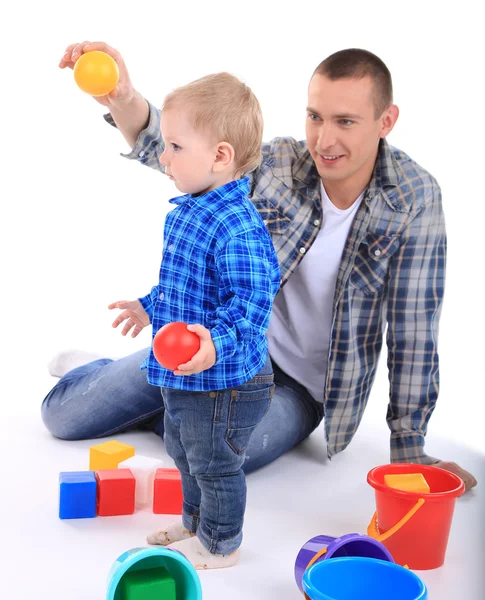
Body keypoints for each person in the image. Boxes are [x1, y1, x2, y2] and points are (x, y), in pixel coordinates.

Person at [44, 42, 477, 494]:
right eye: (315, 117)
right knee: (62, 416)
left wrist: (409, 453)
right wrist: (123, 97)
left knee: (214, 452)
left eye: (345, 121)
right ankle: (105, 374)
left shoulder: (414, 199)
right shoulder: (281, 163)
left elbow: (414, 329)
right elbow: (181, 152)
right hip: (224, 343)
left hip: (296, 390)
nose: (324, 140)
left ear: (386, 121)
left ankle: (146, 393)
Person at [107, 72, 280, 569]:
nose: (163, 156)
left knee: (214, 464)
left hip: (223, 381)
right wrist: (148, 305)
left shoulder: (238, 226)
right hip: (186, 375)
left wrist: (214, 344)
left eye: (176, 146)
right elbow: (183, 286)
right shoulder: (191, 211)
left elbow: (251, 305)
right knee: (183, 451)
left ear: (220, 156)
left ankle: (221, 544)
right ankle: (194, 524)